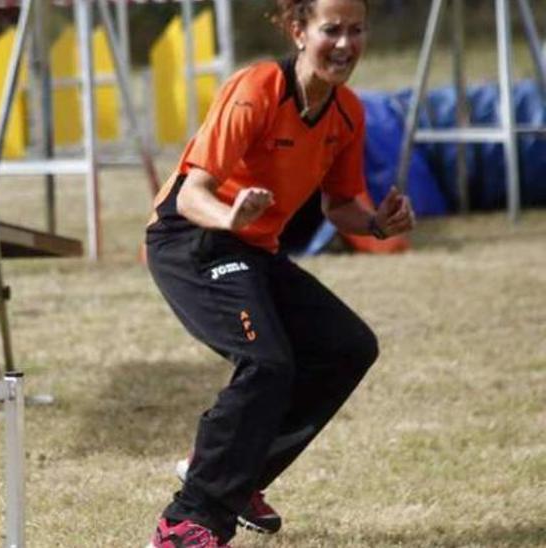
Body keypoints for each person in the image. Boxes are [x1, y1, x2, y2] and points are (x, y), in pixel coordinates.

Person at [143, 0, 415, 546]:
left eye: (356, 31)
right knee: (267, 362)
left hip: (252, 248)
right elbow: (193, 194)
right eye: (330, 30)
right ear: (298, 31)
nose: (345, 44)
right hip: (191, 237)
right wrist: (232, 216)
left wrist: (375, 225)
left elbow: (339, 204)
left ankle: (237, 473)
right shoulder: (257, 89)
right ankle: (188, 519)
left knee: (347, 346)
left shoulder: (347, 113)